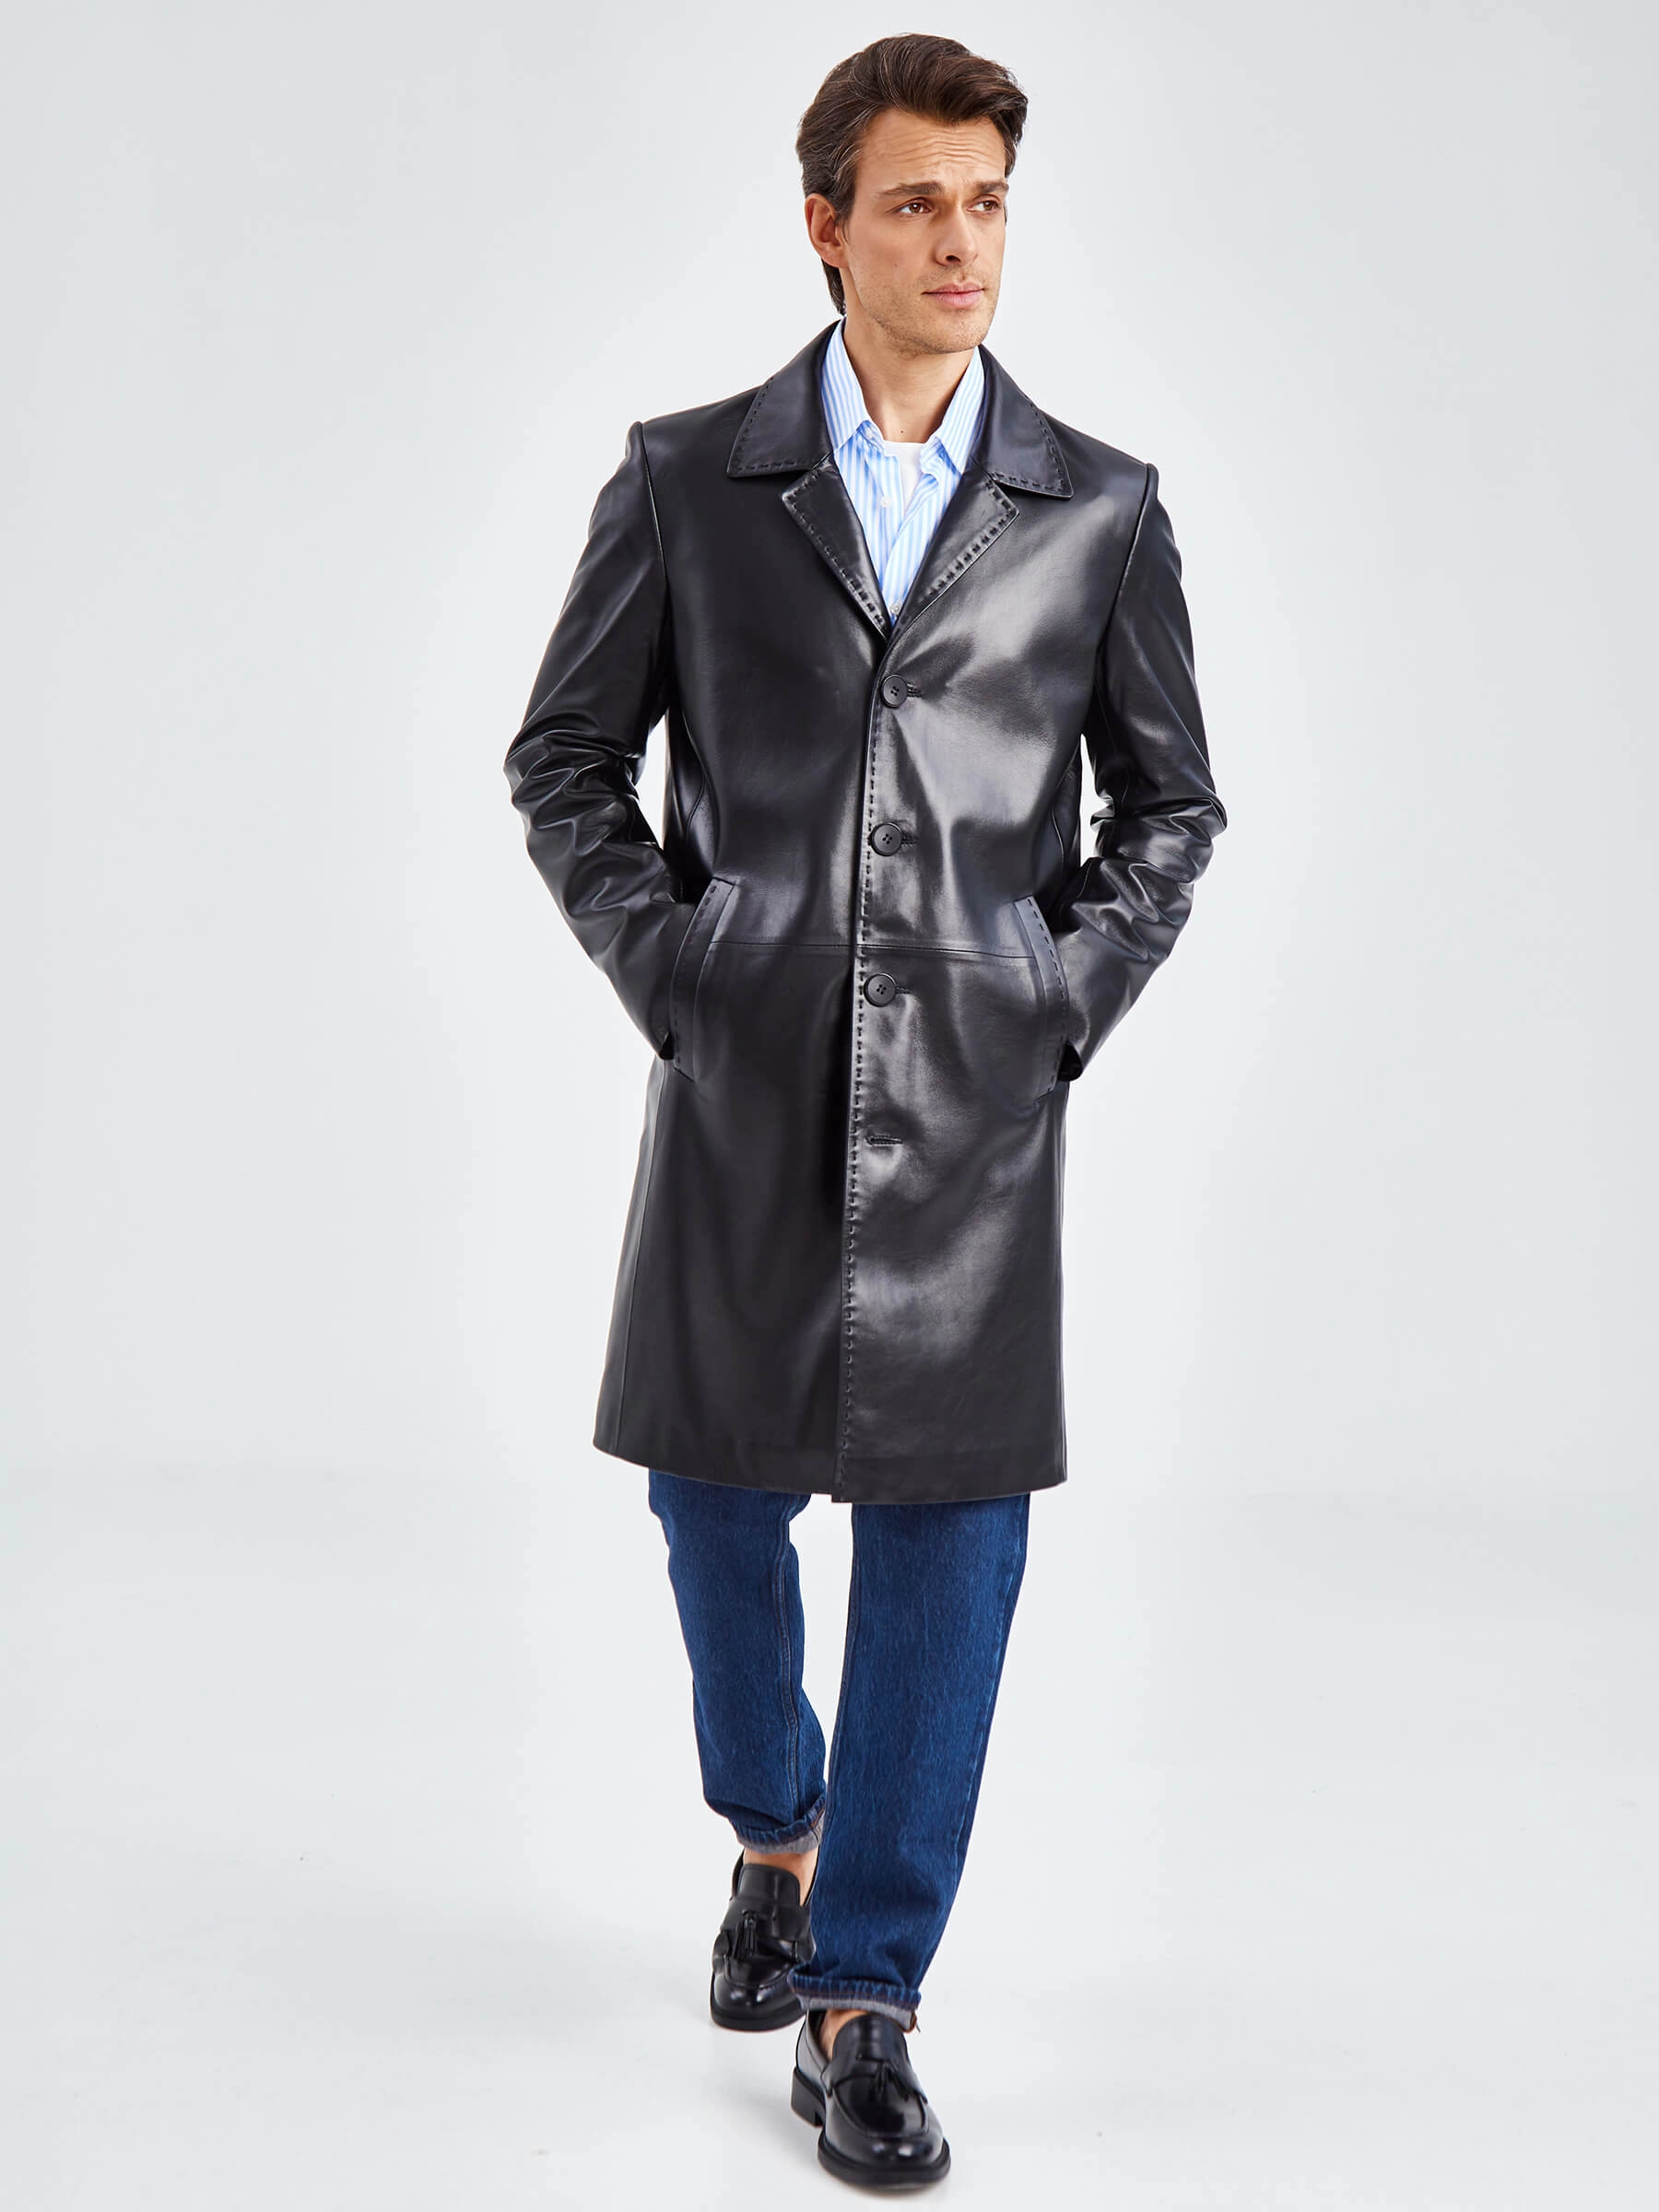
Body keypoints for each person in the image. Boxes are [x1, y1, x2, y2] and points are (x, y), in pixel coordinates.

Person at [503, 31, 1224, 2190]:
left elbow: (1169, 811)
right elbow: (565, 763)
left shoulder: (1098, 511)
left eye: (987, 202)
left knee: (951, 1552)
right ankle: (774, 1830)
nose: (961, 242)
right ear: (827, 227)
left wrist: (1050, 999)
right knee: (712, 1505)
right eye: (917, 203)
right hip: (741, 1099)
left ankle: (867, 2000)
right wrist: (685, 965)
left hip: (976, 1129)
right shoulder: (685, 483)